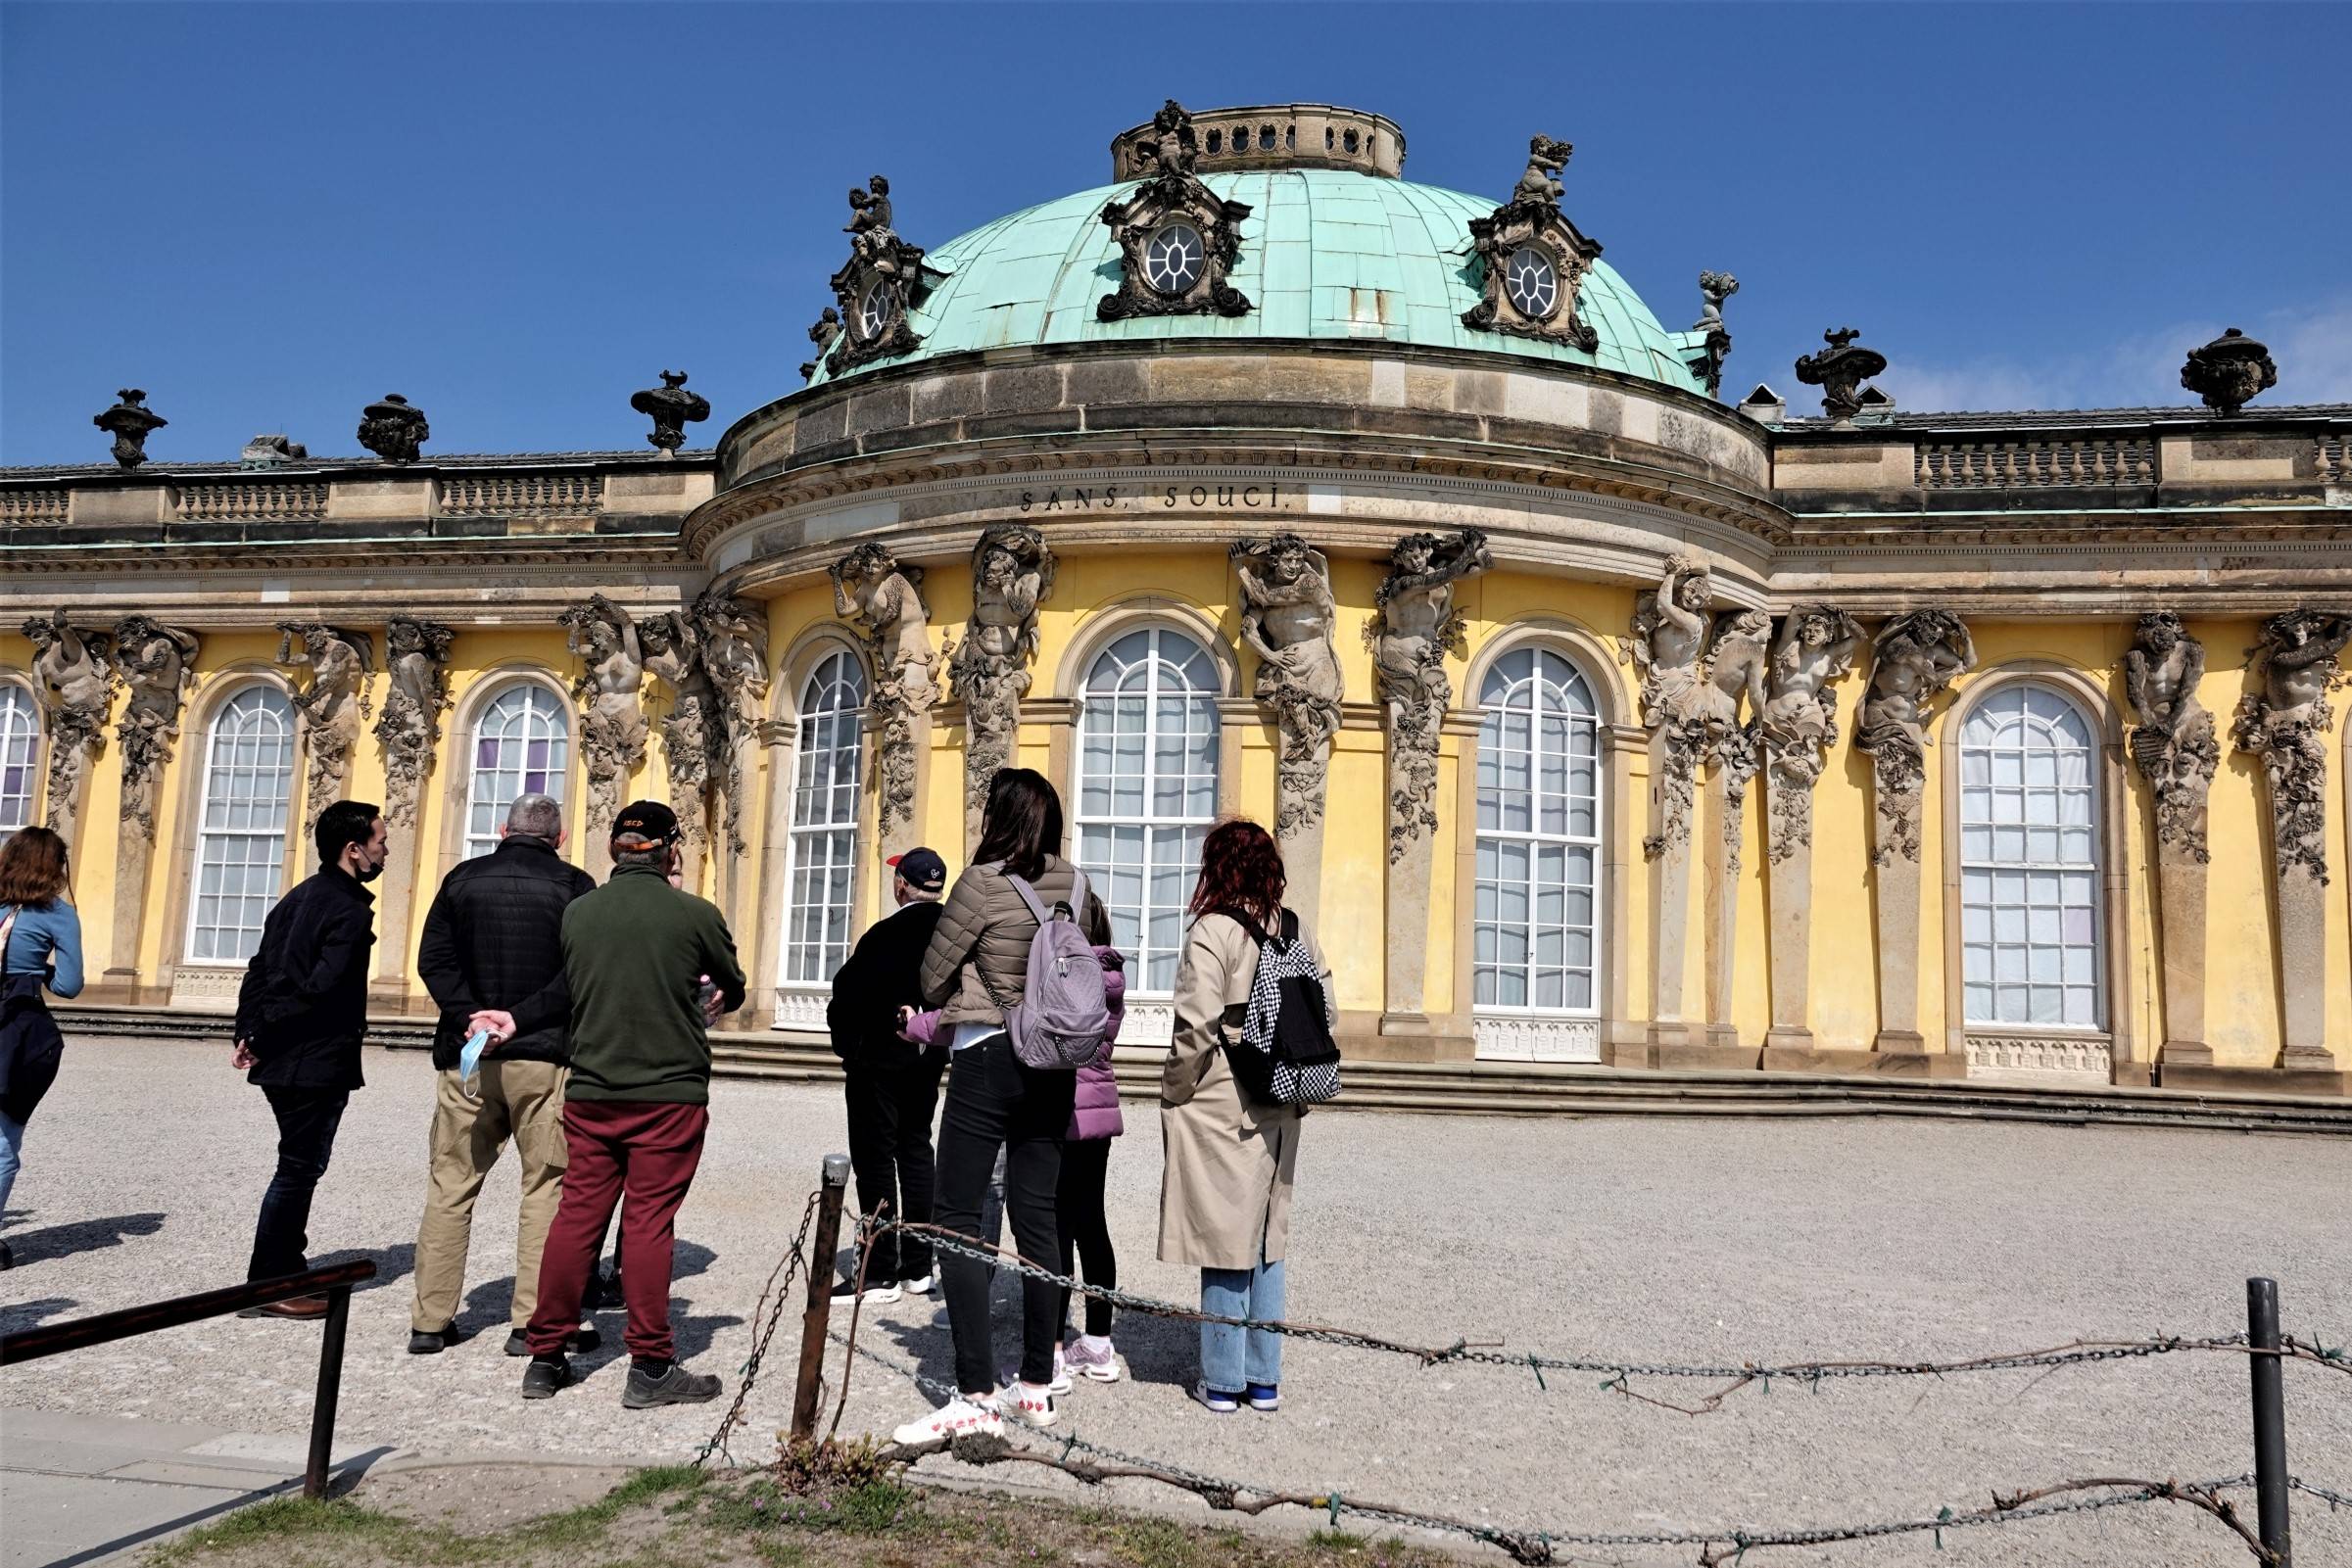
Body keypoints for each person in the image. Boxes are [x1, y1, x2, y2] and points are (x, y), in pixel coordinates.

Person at [889, 769, 1111, 1445]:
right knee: (1039, 1219)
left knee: (958, 1219)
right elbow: (1097, 960)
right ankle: (1037, 1384)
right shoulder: (1076, 883)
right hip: (1055, 1064)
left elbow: (931, 977)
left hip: (989, 1056)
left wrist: (974, 978)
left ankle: (975, 1390)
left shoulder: (980, 882)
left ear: (998, 816)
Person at [517, 800, 745, 1407]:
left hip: (592, 1089)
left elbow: (568, 988)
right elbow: (733, 984)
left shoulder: (579, 913)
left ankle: (545, 1356)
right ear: (670, 849)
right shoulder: (694, 913)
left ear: (615, 848)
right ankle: (648, 1364)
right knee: (647, 1224)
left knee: (576, 1218)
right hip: (668, 1092)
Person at [406, 792, 598, 1356]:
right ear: (558, 838)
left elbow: (433, 960)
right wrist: (519, 1018)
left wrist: (473, 1016)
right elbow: (577, 975)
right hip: (540, 1056)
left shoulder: (461, 880)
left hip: (468, 1057)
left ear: (501, 828)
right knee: (544, 1187)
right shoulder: (574, 887)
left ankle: (430, 1321)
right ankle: (530, 1324)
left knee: (450, 1186)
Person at [1160, 819, 1329, 1414]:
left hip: (1225, 1097)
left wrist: (1174, 1091)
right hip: (1283, 1090)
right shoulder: (1296, 929)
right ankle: (1265, 1378)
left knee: (1221, 1232)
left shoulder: (1214, 930)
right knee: (1267, 1236)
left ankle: (1224, 1379)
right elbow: (1323, 1009)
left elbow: (1195, 1025)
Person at [233, 799, 387, 1317]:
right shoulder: (345, 908)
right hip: (313, 1057)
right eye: (379, 841)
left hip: (285, 1053)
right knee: (298, 1168)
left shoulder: (297, 898)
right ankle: (271, 1283)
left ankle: (285, 1266)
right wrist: (264, 1030)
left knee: (298, 1165)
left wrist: (250, 1031)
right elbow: (321, 989)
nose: (384, 849)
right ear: (353, 851)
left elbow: (258, 970)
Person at [824, 846, 951, 1306]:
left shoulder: (884, 934)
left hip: (878, 1062)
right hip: (928, 1057)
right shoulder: (950, 935)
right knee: (917, 1149)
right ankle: (918, 1265)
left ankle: (880, 1271)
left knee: (875, 1159)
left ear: (902, 885)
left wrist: (847, 1049)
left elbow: (847, 998)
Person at [0, 827, 84, 1270]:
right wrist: (39, 969)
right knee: (3, 1142)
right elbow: (69, 985)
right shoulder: (57, 914)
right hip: (16, 1032)